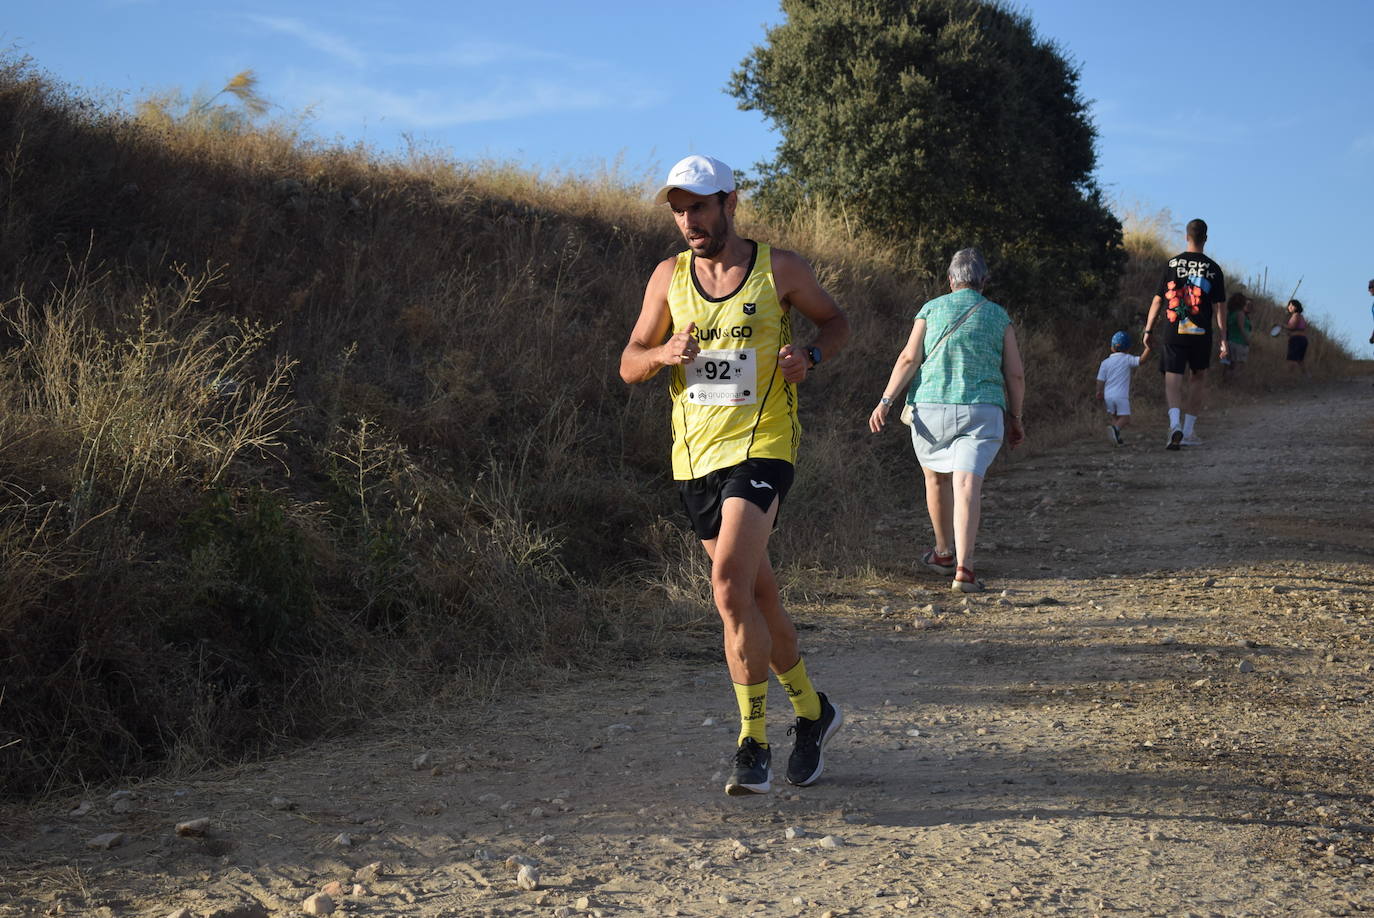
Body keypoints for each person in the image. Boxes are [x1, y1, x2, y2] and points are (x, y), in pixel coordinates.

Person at [620, 154, 851, 797]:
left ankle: (753, 741)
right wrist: (664, 352)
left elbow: (836, 322)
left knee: (727, 587)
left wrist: (811, 353)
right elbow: (629, 362)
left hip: (762, 446)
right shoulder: (668, 277)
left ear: (728, 201)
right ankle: (813, 712)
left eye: (698, 206)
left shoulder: (780, 269)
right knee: (756, 597)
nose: (688, 220)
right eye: (678, 209)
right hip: (693, 457)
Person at [868, 248, 1025, 593]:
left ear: (950, 280)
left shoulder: (931, 309)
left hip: (931, 408)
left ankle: (942, 552)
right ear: (983, 282)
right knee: (968, 484)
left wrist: (885, 401)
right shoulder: (999, 317)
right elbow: (1014, 375)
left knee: (936, 479)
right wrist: (1016, 417)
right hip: (981, 410)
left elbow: (910, 357)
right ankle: (964, 570)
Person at [1143, 218, 1228, 449]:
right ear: (1206, 239)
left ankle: (1174, 425)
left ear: (1186, 236)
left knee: (1173, 376)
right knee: (1198, 377)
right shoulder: (1213, 268)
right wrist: (1223, 338)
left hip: (1174, 330)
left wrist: (1148, 329)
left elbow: (1158, 299)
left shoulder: (1172, 264)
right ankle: (1189, 431)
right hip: (1201, 332)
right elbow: (1220, 306)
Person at [1096, 330, 1152, 445]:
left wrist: (1099, 391)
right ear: (1128, 348)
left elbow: (1100, 379)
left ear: (1112, 347)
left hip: (1108, 396)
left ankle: (1116, 437)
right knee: (1125, 418)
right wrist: (1148, 348)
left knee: (1116, 417)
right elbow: (1141, 360)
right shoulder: (1127, 359)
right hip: (1121, 396)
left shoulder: (1105, 363)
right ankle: (1115, 430)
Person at [1222, 293, 1252, 382]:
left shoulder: (1230, 314)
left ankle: (1225, 382)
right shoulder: (1240, 314)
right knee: (1238, 365)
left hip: (1230, 341)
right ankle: (1233, 384)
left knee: (1229, 364)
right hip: (1239, 342)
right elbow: (1241, 328)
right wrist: (1247, 340)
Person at [1283, 298, 1310, 376]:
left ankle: (1289, 377)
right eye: (1289, 305)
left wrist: (1281, 325)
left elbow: (1292, 327)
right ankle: (1308, 377)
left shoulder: (1295, 315)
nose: (1290, 307)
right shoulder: (1301, 317)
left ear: (1297, 307)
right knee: (1300, 361)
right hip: (1303, 339)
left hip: (1296, 339)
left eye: (1292, 305)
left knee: (1292, 359)